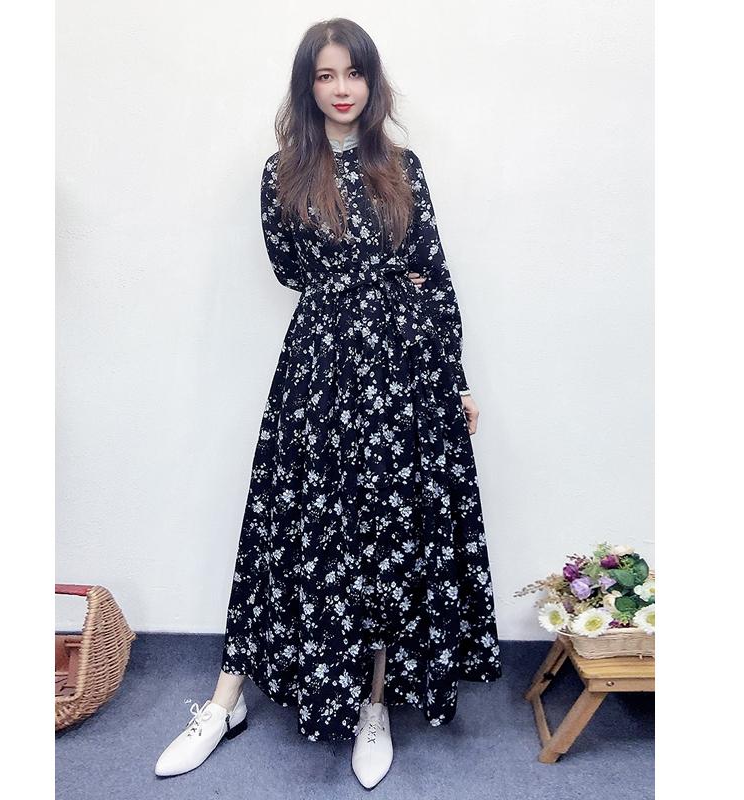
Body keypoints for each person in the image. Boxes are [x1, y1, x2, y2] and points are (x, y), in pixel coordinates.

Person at [155, 18, 502, 790]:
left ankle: (374, 705)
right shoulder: (282, 172)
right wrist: (351, 285)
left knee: (387, 530)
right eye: (325, 75)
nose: (342, 89)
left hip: (404, 368)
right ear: (307, 85)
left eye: (354, 73)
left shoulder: (402, 167)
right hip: (319, 365)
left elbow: (432, 273)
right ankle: (223, 703)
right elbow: (288, 269)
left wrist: (455, 378)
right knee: (290, 520)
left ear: (372, 82)